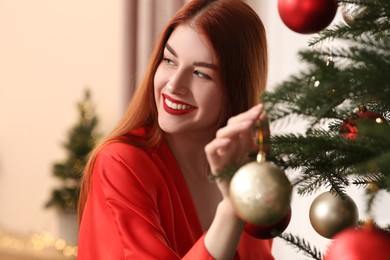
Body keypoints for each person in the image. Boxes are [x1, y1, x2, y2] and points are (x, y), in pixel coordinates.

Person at [77, 0, 272, 259]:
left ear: (236, 89)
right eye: (169, 60)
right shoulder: (120, 163)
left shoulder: (248, 172)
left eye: (201, 74)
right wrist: (231, 210)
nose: (174, 85)